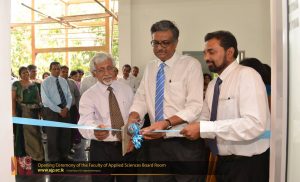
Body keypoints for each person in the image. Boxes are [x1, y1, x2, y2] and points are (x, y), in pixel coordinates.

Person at [180, 31, 270, 182]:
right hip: (222, 162)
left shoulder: (247, 75)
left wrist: (205, 128)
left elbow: (254, 124)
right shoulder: (214, 85)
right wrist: (189, 128)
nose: (206, 58)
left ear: (230, 52)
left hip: (248, 165)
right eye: (205, 53)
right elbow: (205, 118)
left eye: (211, 52)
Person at [128, 20, 207, 182]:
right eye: (155, 43)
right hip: (156, 144)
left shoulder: (190, 65)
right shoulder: (150, 67)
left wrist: (166, 123)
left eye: (165, 43)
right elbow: (141, 98)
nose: (159, 47)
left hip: (184, 143)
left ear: (176, 43)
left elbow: (194, 106)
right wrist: (134, 115)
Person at [78, 52, 135, 182]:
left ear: (115, 69)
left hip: (127, 147)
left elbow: (136, 116)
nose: (107, 73)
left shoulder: (126, 89)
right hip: (101, 149)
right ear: (94, 73)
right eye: (101, 70)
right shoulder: (88, 96)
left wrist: (134, 134)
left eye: (109, 68)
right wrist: (94, 130)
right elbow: (84, 123)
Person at [12, 66, 44, 175]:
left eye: (27, 72)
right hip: (23, 111)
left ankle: (37, 155)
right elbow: (13, 100)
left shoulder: (35, 84)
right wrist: (13, 113)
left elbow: (39, 98)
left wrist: (41, 111)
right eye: (23, 73)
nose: (26, 74)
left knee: (36, 133)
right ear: (20, 74)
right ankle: (30, 157)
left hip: (35, 111)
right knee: (27, 134)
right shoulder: (16, 84)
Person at [41, 61, 73, 163]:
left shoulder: (63, 81)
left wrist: (67, 108)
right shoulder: (45, 82)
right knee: (53, 135)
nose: (56, 70)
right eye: (54, 69)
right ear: (50, 70)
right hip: (51, 111)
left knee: (66, 134)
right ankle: (54, 158)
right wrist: (59, 110)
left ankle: (65, 154)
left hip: (65, 109)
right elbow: (46, 100)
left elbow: (69, 96)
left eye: (58, 68)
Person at [60, 66, 81, 150]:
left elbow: (77, 95)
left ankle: (70, 147)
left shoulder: (72, 82)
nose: (65, 73)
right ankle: (62, 148)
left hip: (72, 109)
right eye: (63, 71)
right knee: (62, 130)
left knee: (72, 129)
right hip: (60, 110)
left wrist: (78, 108)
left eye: (66, 72)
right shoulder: (56, 83)